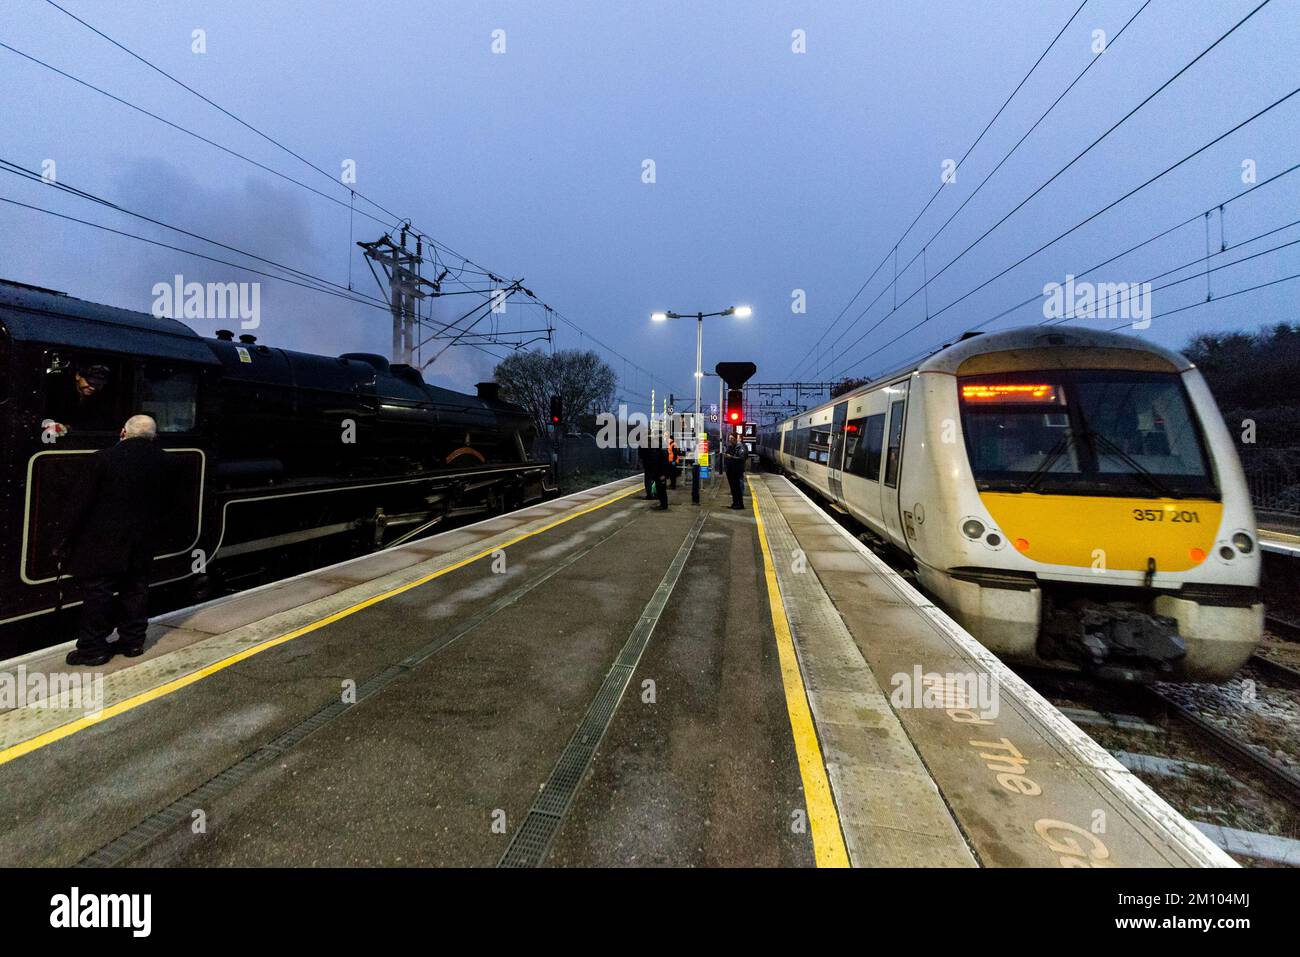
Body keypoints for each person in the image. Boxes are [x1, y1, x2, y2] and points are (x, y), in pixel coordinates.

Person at [59, 415, 171, 666]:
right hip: (143, 540)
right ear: (154, 437)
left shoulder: (103, 458)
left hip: (103, 541)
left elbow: (80, 503)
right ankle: (132, 643)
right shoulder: (167, 461)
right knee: (136, 589)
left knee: (98, 593)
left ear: (123, 432)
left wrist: (64, 537)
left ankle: (93, 649)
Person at [46, 361, 115, 434]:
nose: (93, 388)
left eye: (98, 385)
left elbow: (102, 422)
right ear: (78, 376)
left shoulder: (102, 399)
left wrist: (69, 427)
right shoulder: (58, 393)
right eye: (90, 383)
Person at [724, 433, 747, 509]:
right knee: (733, 488)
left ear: (735, 438)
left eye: (732, 438)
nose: (730, 440)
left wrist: (731, 457)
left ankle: (740, 504)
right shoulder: (731, 446)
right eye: (729, 438)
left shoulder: (740, 447)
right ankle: (735, 503)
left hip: (737, 470)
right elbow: (727, 454)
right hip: (730, 470)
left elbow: (742, 458)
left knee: (737, 488)